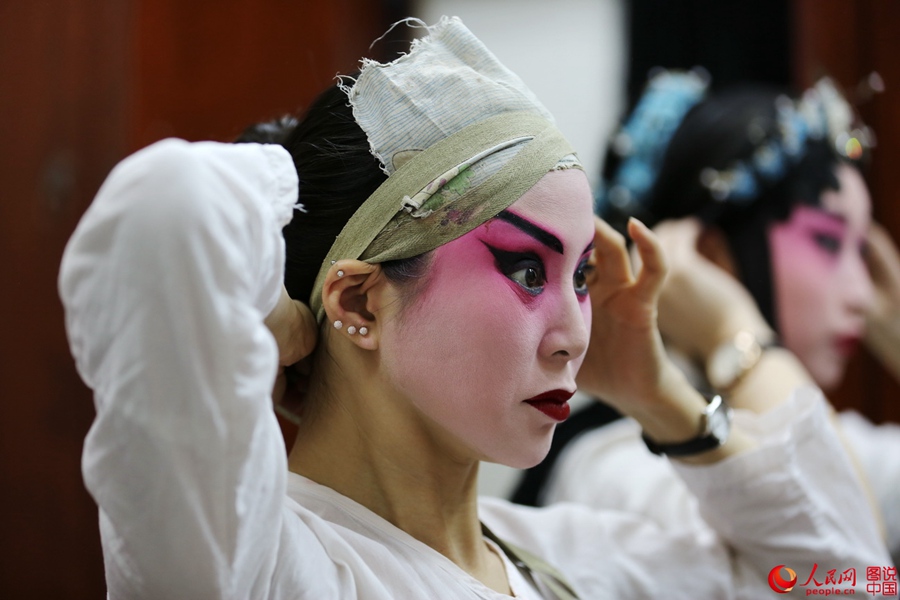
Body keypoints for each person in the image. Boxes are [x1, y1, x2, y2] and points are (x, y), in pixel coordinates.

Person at [59, 19, 890, 599]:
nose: (575, 334)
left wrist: (662, 399)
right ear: (359, 299)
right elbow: (165, 208)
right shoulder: (268, 566)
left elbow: (847, 583)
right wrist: (279, 315)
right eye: (527, 269)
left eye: (582, 277)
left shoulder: (574, 559)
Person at [512, 69, 900, 565]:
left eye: (861, 251)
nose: (864, 295)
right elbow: (854, 574)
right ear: (710, 256)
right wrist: (736, 334)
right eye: (827, 241)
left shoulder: (826, 444)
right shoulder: (617, 472)